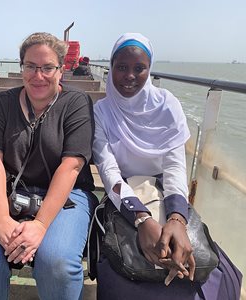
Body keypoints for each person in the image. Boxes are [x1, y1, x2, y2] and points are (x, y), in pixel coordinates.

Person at [92, 33, 242, 299]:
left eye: (139, 68)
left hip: (166, 194)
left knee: (204, 267)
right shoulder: (102, 111)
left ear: (149, 70)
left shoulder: (167, 104)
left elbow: (174, 168)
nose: (129, 76)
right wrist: (142, 219)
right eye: (121, 67)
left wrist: (176, 220)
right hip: (123, 196)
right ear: (111, 68)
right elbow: (109, 171)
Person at [0, 32, 97, 300]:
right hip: (10, 193)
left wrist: (40, 226)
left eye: (48, 67)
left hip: (67, 196)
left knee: (55, 260)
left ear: (61, 69)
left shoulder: (76, 103)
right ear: (21, 67)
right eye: (30, 67)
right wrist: (1, 220)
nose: (39, 76)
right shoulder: (3, 103)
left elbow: (71, 166)